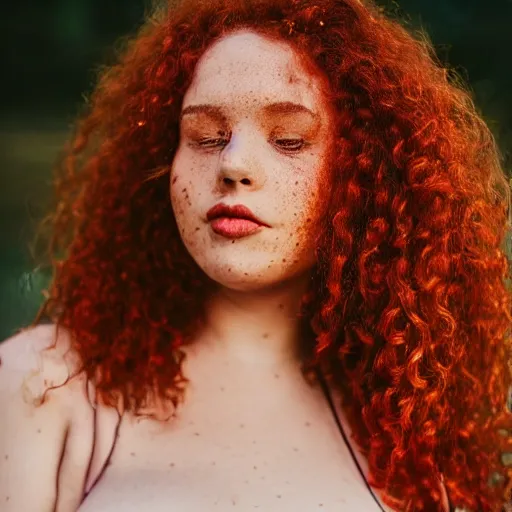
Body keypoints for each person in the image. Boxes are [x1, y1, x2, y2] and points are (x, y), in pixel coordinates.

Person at [1, 0, 512, 509]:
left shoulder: (400, 431)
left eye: (289, 140)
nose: (234, 163)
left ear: (364, 175)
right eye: (206, 136)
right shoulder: (44, 383)